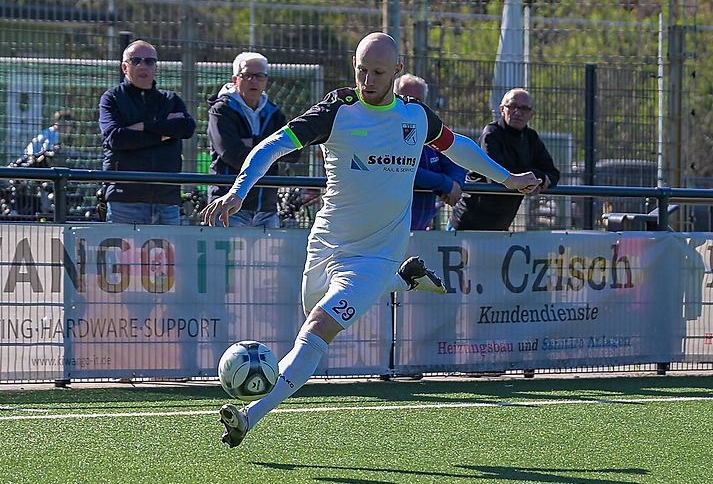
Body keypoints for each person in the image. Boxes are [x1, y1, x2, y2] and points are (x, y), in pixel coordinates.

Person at [203, 32, 542, 447]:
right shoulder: (337, 111)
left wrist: (507, 178)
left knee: (316, 330)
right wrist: (238, 191)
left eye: (378, 72)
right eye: (362, 70)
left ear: (397, 71)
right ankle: (405, 280)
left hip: (378, 253)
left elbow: (459, 148)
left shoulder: (415, 116)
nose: (367, 80)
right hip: (327, 244)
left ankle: (249, 416)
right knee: (311, 316)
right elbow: (272, 146)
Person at [99, 40, 196, 225]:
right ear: (124, 67)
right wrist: (164, 133)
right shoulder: (112, 98)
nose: (143, 66)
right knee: (123, 245)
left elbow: (186, 128)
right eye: (136, 60)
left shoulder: (170, 99)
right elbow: (116, 138)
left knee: (168, 245)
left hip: (167, 200)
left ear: (156, 67)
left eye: (149, 61)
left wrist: (143, 126)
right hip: (125, 200)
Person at [207, 52, 301, 228]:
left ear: (266, 80)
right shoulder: (221, 110)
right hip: (228, 206)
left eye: (259, 76)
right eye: (247, 75)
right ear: (235, 79)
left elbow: (295, 152)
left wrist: (254, 142)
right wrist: (272, 149)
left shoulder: (274, 113)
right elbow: (232, 154)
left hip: (266, 208)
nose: (254, 81)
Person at [450, 87, 560, 230]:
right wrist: (534, 179)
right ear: (502, 109)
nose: (518, 112)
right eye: (512, 106)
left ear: (531, 114)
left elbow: (553, 173)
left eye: (524, 108)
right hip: (467, 223)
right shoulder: (491, 133)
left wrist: (537, 181)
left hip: (500, 226)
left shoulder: (531, 138)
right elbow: (498, 175)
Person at [394, 74, 466, 230]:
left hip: (419, 230)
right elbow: (406, 169)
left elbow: (454, 160)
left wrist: (455, 184)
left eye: (417, 100)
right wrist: (445, 184)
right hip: (389, 230)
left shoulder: (429, 129)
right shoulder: (387, 130)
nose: (411, 104)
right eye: (405, 99)